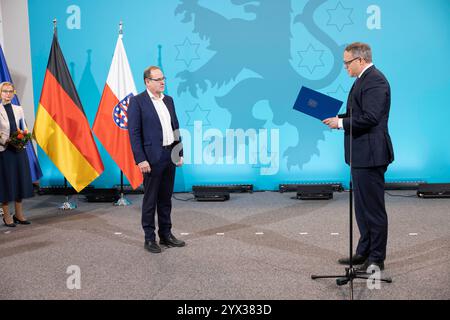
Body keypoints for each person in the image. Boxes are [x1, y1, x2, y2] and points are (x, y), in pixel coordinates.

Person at [323, 42, 394, 272]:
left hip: (371, 155)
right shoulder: (361, 80)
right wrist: (337, 118)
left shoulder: (375, 80)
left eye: (346, 63)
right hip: (360, 154)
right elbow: (358, 114)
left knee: (372, 209)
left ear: (360, 60)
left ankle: (376, 258)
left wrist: (341, 123)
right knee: (362, 209)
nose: (344, 67)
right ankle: (364, 251)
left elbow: (371, 117)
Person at [128, 66, 185, 254]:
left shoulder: (168, 100)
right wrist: (140, 159)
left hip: (169, 155)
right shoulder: (138, 102)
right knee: (150, 199)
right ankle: (149, 238)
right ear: (147, 82)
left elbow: (175, 127)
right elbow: (134, 134)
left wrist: (179, 152)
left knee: (166, 198)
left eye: (163, 78)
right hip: (151, 159)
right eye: (158, 79)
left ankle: (166, 234)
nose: (163, 82)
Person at [0, 82, 34, 227]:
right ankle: (7, 216)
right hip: (5, 151)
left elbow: (23, 127)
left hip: (19, 150)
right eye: (5, 91)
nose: (8, 94)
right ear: (0, 93)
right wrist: (5, 140)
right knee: (6, 183)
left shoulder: (18, 109)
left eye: (10, 91)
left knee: (20, 181)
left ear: (14, 93)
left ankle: (19, 214)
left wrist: (24, 137)